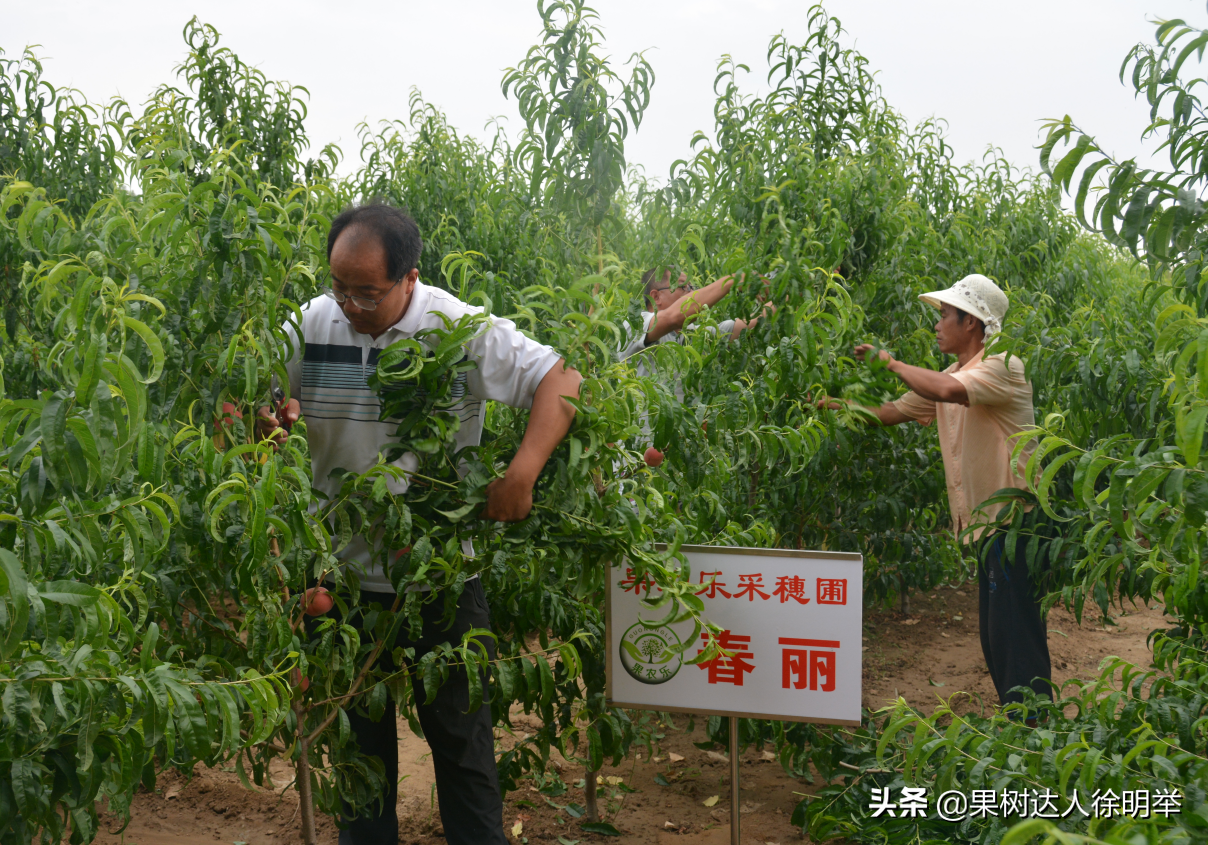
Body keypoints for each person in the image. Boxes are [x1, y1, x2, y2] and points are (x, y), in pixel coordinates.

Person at [257, 202, 581, 845]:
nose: (349, 304)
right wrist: (264, 422)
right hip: (339, 576)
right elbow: (251, 398)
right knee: (359, 756)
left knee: (462, 747)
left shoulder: (455, 328)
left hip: (437, 571)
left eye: (366, 293)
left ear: (409, 278)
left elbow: (561, 376)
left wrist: (523, 474)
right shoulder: (312, 323)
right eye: (339, 287)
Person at [817, 274, 1051, 712]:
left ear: (973, 323)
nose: (938, 324)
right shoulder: (951, 375)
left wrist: (890, 364)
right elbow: (890, 412)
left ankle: (1034, 734)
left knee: (1016, 639)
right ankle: (1024, 727)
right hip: (988, 528)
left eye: (945, 315)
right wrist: (832, 406)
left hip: (1016, 525)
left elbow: (947, 392)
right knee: (998, 638)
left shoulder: (1004, 365)